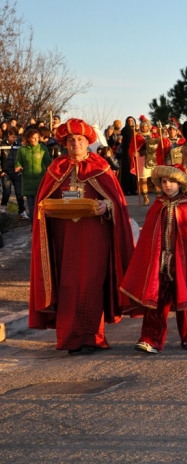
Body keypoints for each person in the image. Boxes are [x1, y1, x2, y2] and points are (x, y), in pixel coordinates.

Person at [28, 118, 134, 354]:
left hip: (95, 236)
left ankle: (92, 337)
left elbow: (116, 202)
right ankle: (69, 338)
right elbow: (43, 203)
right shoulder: (55, 168)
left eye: (80, 140)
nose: (75, 144)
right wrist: (47, 207)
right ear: (65, 143)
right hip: (64, 238)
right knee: (68, 285)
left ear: (88, 143)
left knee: (91, 285)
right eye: (71, 140)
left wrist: (106, 206)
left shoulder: (100, 167)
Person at [120, 165, 187, 354]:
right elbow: (149, 239)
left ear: (180, 184)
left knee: (185, 299)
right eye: (164, 182)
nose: (167, 185)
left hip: (182, 263)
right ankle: (150, 338)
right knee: (156, 300)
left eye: (172, 182)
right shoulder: (157, 207)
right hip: (160, 263)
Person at [14, 128, 52, 220]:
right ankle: (33, 227)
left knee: (39, 205)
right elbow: (18, 162)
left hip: (40, 181)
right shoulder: (22, 150)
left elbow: (48, 163)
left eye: (37, 138)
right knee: (31, 207)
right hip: (27, 181)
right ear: (28, 139)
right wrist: (18, 167)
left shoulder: (43, 149)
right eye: (33, 138)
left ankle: (41, 226)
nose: (35, 140)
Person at [0, 127, 26, 218]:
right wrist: (1, 171)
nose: (14, 139)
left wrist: (21, 168)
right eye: (12, 137)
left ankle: (22, 211)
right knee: (6, 191)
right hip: (6, 172)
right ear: (8, 135)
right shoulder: (2, 144)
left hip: (17, 173)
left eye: (15, 137)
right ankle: (3, 206)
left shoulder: (19, 145)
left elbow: (23, 158)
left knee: (19, 192)